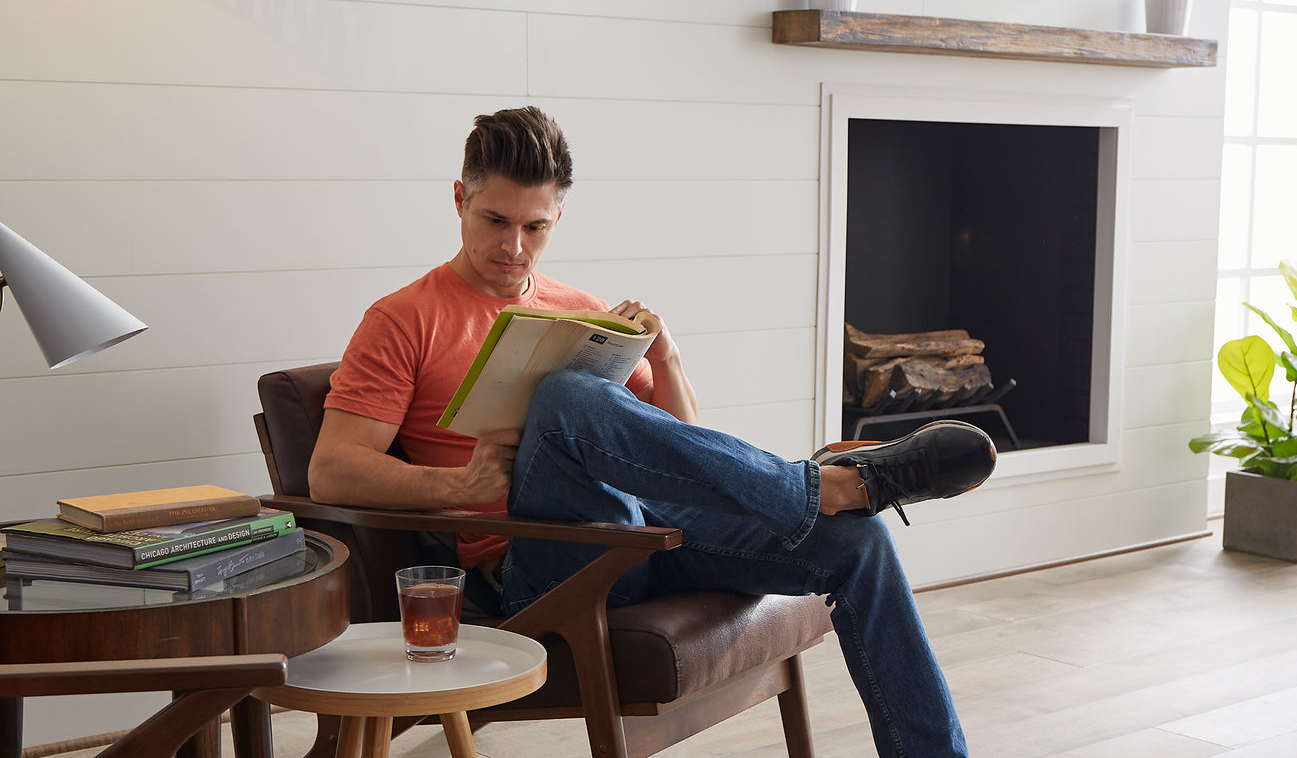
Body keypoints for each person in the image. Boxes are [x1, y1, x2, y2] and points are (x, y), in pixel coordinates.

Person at [308, 106, 996, 758]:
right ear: (459, 198)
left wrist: (663, 353)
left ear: (559, 215)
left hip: (644, 532)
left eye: (536, 227)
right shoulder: (402, 319)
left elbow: (682, 448)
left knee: (862, 541)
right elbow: (332, 470)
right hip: (541, 567)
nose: (514, 247)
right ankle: (820, 485)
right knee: (566, 395)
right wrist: (458, 484)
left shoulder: (580, 311)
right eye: (494, 219)